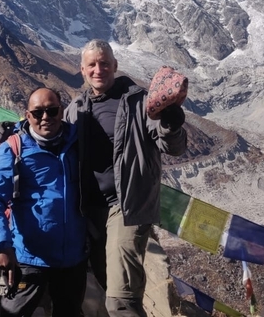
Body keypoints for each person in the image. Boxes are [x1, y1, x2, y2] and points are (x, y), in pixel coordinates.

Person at [65, 39, 187, 317]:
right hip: (89, 214)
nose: (99, 69)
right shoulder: (76, 108)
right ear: (82, 70)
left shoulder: (138, 102)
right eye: (92, 64)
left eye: (104, 63)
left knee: (120, 301)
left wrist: (170, 124)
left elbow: (174, 147)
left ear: (115, 66)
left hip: (126, 207)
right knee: (108, 285)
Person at [0, 87, 88, 317]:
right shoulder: (13, 150)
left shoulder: (78, 142)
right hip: (29, 256)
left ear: (62, 112)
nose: (45, 117)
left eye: (52, 110)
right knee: (13, 313)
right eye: (38, 113)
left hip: (73, 256)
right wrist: (0, 245)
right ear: (28, 116)